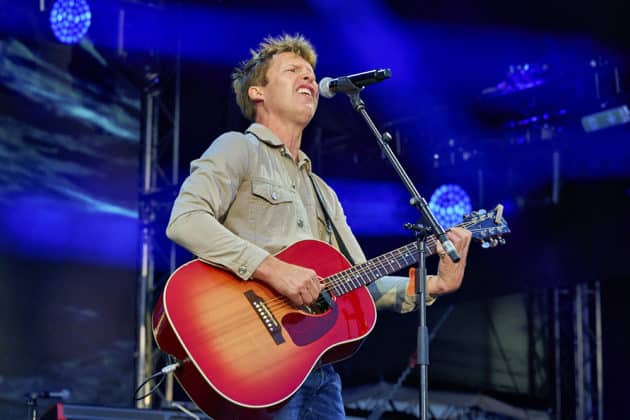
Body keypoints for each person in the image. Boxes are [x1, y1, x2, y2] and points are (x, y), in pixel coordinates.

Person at [166, 33, 472, 420]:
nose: (309, 79)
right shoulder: (237, 148)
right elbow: (186, 221)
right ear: (258, 92)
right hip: (259, 360)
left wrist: (435, 285)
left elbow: (363, 283)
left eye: (311, 74)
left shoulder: (324, 192)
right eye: (293, 71)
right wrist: (275, 270)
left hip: (319, 370)